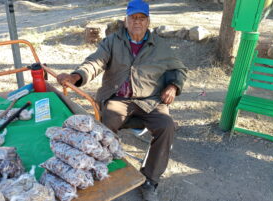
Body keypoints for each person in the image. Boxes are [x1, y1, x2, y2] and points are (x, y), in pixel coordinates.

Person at [57, 0, 187, 200]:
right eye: (133, 17)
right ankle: (105, 171)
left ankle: (150, 180)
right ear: (126, 20)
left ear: (148, 21)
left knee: (166, 125)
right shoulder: (112, 41)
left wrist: (173, 86)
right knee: (105, 125)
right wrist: (76, 76)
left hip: (151, 101)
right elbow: (95, 62)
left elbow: (178, 69)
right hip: (118, 98)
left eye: (141, 18)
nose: (137, 22)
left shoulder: (160, 45)